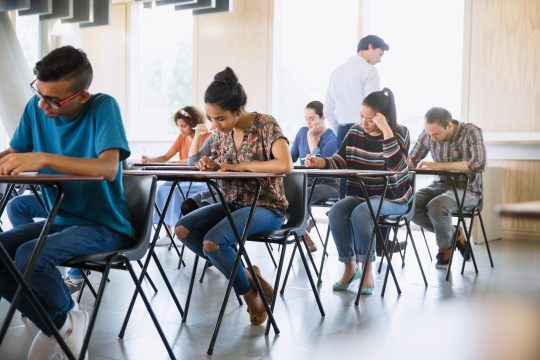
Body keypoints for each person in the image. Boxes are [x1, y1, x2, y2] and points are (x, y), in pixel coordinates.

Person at [0, 45, 133, 359]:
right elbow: (14, 154)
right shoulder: (36, 109)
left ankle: (64, 320)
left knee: (31, 256)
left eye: (54, 100)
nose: (43, 105)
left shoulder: (102, 107)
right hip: (59, 219)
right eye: (39, 93)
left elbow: (107, 168)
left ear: (82, 96)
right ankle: (63, 322)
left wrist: (44, 157)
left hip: (105, 224)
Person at [175, 67, 293, 325]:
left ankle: (251, 298)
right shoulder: (219, 133)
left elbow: (285, 164)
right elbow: (193, 161)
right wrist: (206, 161)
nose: (215, 125)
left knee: (212, 243)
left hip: (267, 207)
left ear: (239, 111)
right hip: (232, 203)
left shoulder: (265, 125)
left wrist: (238, 167)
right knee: (183, 229)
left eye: (220, 119)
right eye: (210, 118)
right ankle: (249, 278)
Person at [305, 88, 411, 294]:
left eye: (370, 119)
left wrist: (387, 132)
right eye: (361, 116)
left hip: (394, 198)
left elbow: (396, 167)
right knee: (336, 211)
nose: (364, 123)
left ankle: (367, 270)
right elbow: (341, 160)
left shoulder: (400, 132)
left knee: (362, 212)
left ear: (384, 118)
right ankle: (350, 267)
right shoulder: (355, 132)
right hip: (361, 194)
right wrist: (320, 161)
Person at [409, 107, 486, 268]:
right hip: (439, 186)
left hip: (469, 190)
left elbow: (479, 163)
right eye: (429, 133)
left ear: (449, 126)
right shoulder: (428, 134)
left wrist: (438, 165)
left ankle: (445, 247)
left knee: (437, 206)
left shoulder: (471, 132)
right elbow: (412, 160)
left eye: (436, 134)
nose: (432, 137)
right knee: (410, 205)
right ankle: (454, 234)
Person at [324, 34, 389, 198]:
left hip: (343, 130)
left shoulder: (336, 72)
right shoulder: (370, 71)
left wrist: (342, 128)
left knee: (344, 178)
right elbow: (374, 106)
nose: (380, 59)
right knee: (368, 182)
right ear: (370, 47)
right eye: (380, 53)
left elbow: (328, 109)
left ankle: (341, 217)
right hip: (366, 130)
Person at [142, 106, 211, 230]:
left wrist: (177, 162)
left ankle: (178, 228)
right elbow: (166, 156)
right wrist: (149, 160)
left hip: (200, 180)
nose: (181, 129)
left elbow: (195, 160)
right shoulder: (181, 138)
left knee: (174, 191)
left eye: (183, 126)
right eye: (179, 126)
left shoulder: (207, 137)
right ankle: (167, 230)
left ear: (193, 124)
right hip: (184, 178)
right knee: (161, 189)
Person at [6, 193, 85, 293]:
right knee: (16, 205)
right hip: (58, 195)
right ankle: (33, 266)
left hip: (82, 200)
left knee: (78, 219)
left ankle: (75, 278)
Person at [290, 100, 339, 252]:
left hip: (329, 185)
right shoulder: (301, 133)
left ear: (322, 117)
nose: (309, 123)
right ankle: (303, 230)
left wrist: (312, 141)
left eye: (312, 118)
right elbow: (290, 159)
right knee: (288, 193)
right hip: (308, 182)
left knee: (303, 193)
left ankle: (299, 230)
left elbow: (321, 167)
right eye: (306, 119)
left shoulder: (332, 138)